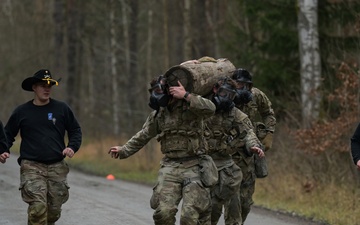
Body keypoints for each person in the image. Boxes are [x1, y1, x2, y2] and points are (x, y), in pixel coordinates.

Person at [109, 74, 216, 225]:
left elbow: (211, 109)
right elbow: (144, 135)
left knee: (189, 216)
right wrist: (123, 150)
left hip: (195, 165)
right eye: (153, 91)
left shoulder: (190, 106)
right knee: (163, 214)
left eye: (159, 90)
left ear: (169, 90)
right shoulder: (159, 115)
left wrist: (186, 95)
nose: (156, 95)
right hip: (170, 166)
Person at [4, 69, 82, 225]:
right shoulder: (22, 111)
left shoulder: (62, 109)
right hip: (31, 166)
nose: (47, 88)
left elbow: (75, 130)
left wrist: (72, 147)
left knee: (53, 212)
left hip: (56, 166)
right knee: (38, 208)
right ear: (34, 87)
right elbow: (7, 134)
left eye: (49, 85)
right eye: (42, 85)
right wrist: (3, 150)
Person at [203, 77, 264, 225]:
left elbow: (249, 132)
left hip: (226, 165)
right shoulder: (203, 108)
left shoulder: (235, 113)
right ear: (215, 90)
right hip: (204, 164)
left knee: (235, 210)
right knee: (209, 210)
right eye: (224, 93)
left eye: (231, 95)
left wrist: (254, 146)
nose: (226, 98)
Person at [224, 68, 276, 225]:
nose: (242, 88)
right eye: (238, 84)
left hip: (249, 153)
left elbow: (268, 113)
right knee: (232, 201)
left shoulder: (257, 95)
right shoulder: (224, 94)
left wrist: (268, 134)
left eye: (245, 85)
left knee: (245, 202)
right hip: (227, 152)